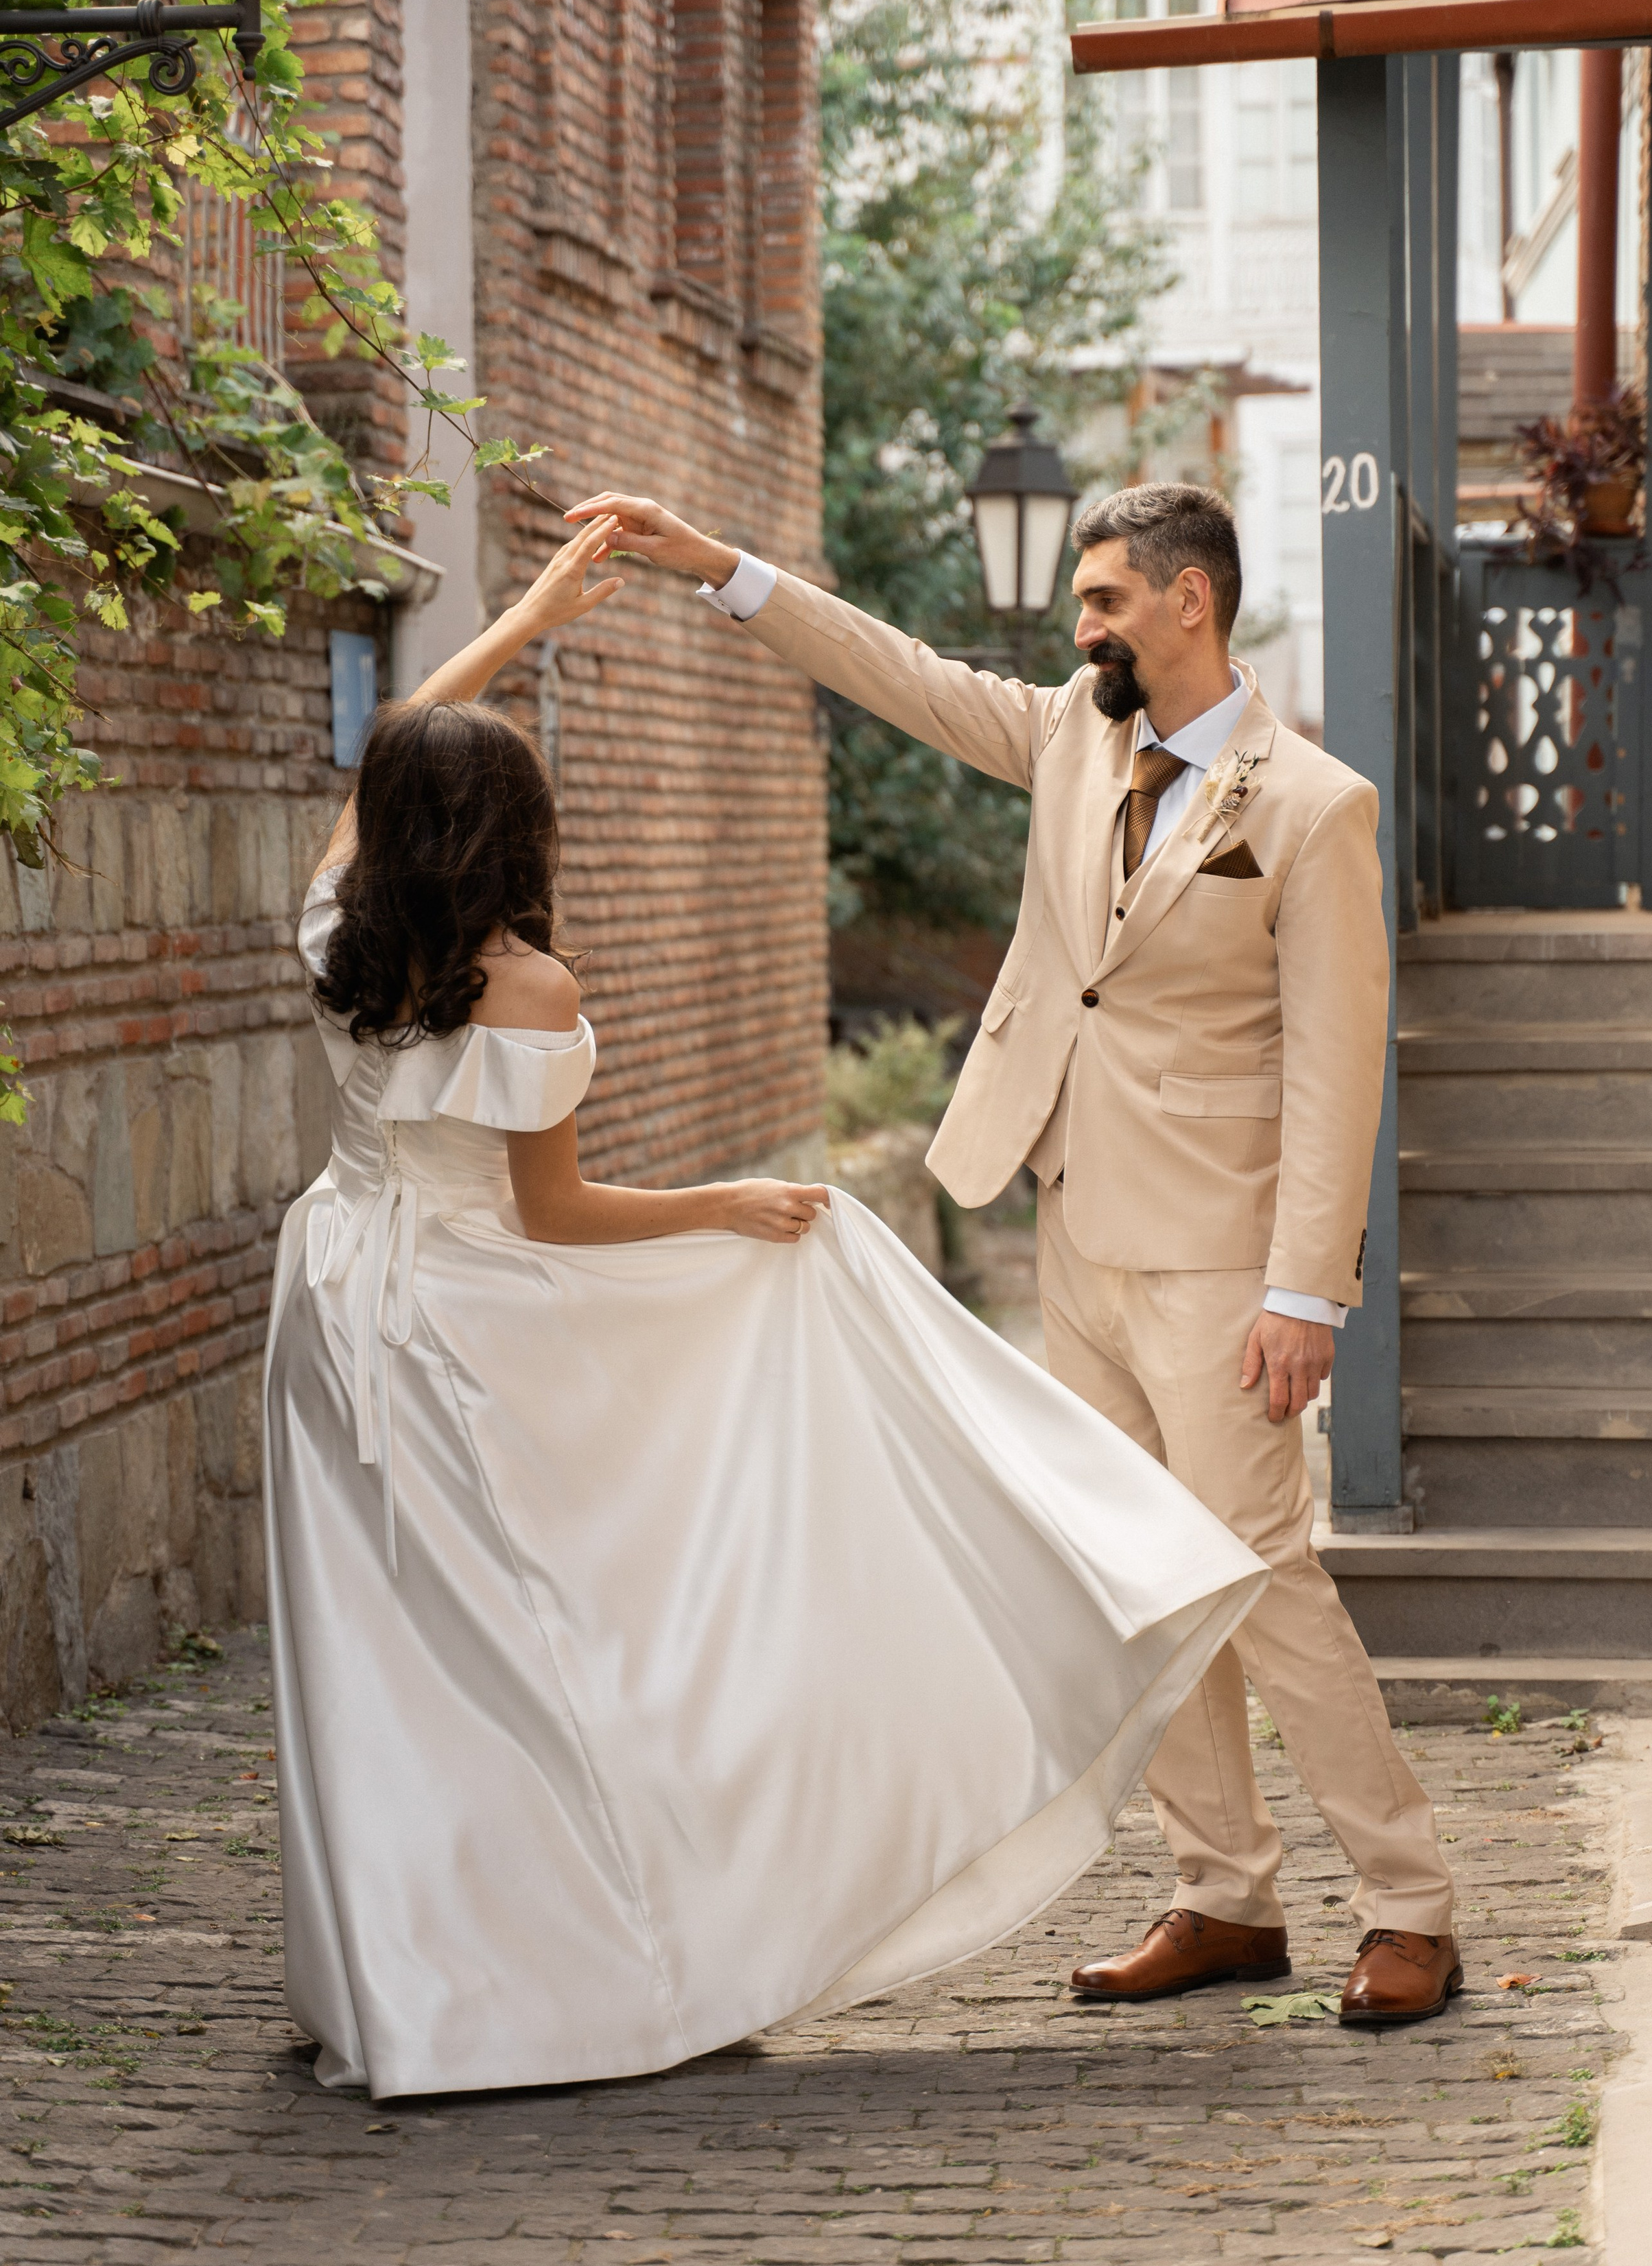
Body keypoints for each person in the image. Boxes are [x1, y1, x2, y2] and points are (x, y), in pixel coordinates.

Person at [263, 511, 1266, 2101]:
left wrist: (521, 618)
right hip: (455, 1324)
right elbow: (558, 1214)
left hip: (328, 1300)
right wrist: (728, 1207)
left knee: (375, 1639)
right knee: (538, 1640)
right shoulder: (527, 988)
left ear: (387, 817)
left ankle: (386, 1978)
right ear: (513, 831)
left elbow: (382, 768)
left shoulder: (337, 925)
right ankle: (548, 1974)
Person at [588, 479, 1461, 2027]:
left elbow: (1339, 1068)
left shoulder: (1314, 808)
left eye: (1109, 598)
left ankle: (1407, 1907)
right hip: (1073, 1228)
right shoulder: (1071, 733)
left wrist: (1300, 1288)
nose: (1083, 626)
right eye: (1082, 603)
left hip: (1218, 1262)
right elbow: (903, 674)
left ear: (1191, 601)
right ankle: (1221, 1894)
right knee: (1142, 1579)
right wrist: (717, 568)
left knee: (1258, 1579)